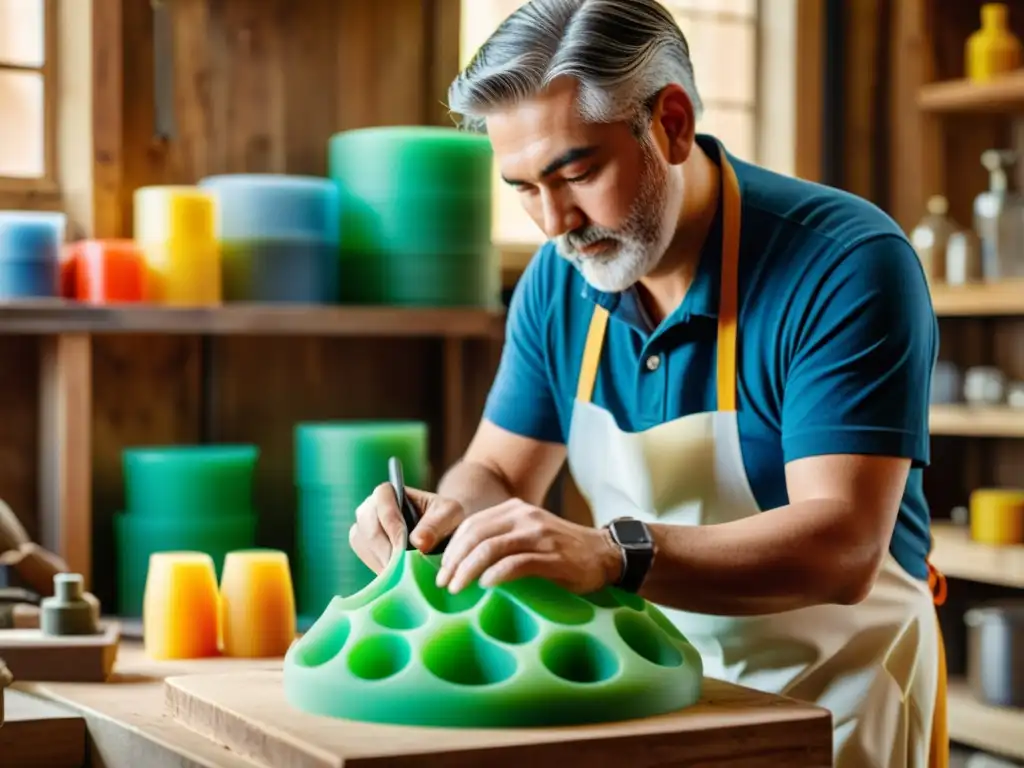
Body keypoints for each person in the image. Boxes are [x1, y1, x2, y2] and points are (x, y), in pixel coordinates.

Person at [349, 1, 947, 765]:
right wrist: (449, 522)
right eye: (524, 188)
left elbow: (843, 545)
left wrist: (613, 553)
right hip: (656, 696)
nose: (555, 221)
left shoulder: (846, 264)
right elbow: (499, 469)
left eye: (577, 173)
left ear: (671, 122)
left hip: (841, 705)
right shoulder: (557, 283)